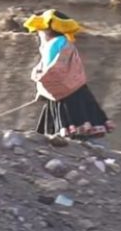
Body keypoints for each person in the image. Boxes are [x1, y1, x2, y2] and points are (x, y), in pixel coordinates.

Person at [23, 9, 114, 140]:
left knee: (65, 130)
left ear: (47, 30)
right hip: (77, 89)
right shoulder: (65, 42)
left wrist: (41, 88)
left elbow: (50, 72)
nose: (38, 34)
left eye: (39, 30)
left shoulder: (52, 45)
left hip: (61, 93)